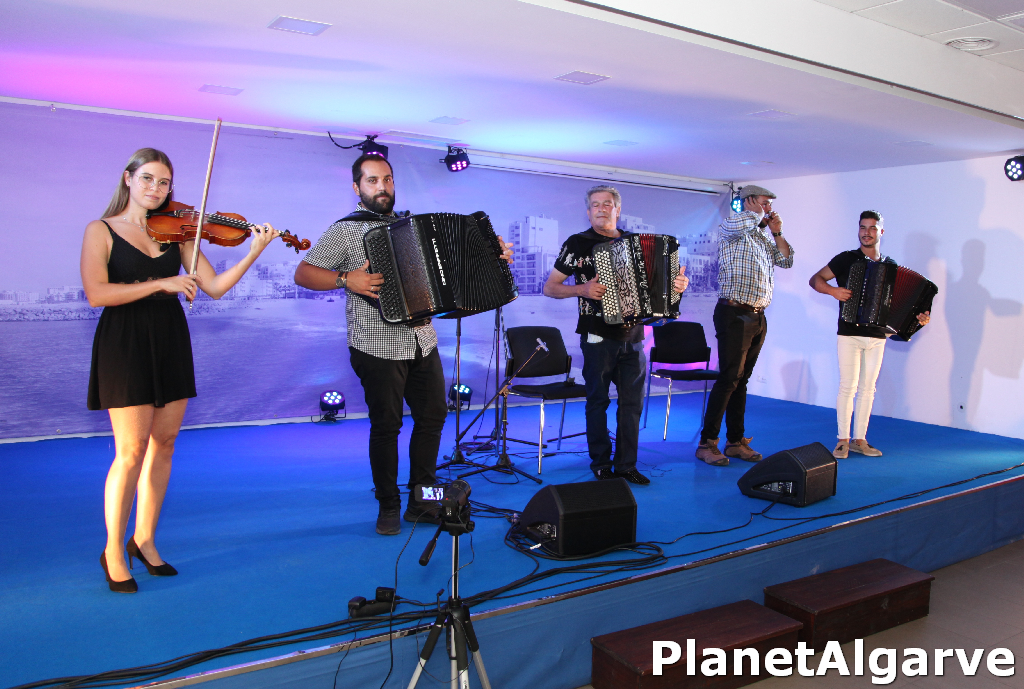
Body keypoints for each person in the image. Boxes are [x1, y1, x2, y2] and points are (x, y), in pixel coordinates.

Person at [81, 148, 280, 593]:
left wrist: (253, 252)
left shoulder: (179, 232)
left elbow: (215, 287)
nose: (156, 188)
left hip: (169, 337)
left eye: (164, 182)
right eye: (147, 179)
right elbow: (97, 293)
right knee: (130, 451)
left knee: (164, 444)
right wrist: (162, 283)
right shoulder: (101, 230)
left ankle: (144, 539)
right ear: (128, 178)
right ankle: (113, 550)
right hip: (125, 342)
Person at [294, 154, 513, 536]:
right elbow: (303, 273)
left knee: (433, 417)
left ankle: (421, 500)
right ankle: (388, 503)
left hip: (422, 340)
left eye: (388, 179)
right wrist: (346, 279)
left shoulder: (413, 226)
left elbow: (453, 267)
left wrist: (491, 255)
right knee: (386, 425)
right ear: (357, 187)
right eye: (373, 180)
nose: (382, 187)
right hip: (375, 344)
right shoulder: (345, 230)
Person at [543, 185, 689, 485]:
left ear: (617, 210)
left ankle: (626, 465)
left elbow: (661, 288)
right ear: (588, 212)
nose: (601, 208)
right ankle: (600, 462)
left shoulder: (636, 242)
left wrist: (677, 287)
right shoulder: (577, 243)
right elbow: (550, 287)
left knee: (632, 404)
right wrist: (582, 289)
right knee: (597, 401)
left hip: (634, 336)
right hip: (597, 335)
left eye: (607, 204)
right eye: (595, 204)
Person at [809, 211, 930, 459]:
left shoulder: (891, 266)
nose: (867, 232)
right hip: (849, 333)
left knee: (868, 389)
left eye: (872, 228)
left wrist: (919, 318)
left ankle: (860, 439)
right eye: (863, 227)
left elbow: (902, 306)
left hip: (877, 337)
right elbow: (815, 279)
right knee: (848, 386)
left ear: (881, 232)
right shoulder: (846, 259)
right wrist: (833, 291)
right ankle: (842, 440)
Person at [695, 185, 794, 466]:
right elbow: (738, 225)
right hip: (734, 313)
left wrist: (776, 232)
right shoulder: (733, 226)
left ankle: (735, 441)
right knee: (729, 378)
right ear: (749, 202)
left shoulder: (761, 237)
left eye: (770, 204)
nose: (769, 208)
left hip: (757, 316)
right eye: (765, 202)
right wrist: (756, 215)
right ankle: (706, 443)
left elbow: (786, 260)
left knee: (741, 380)